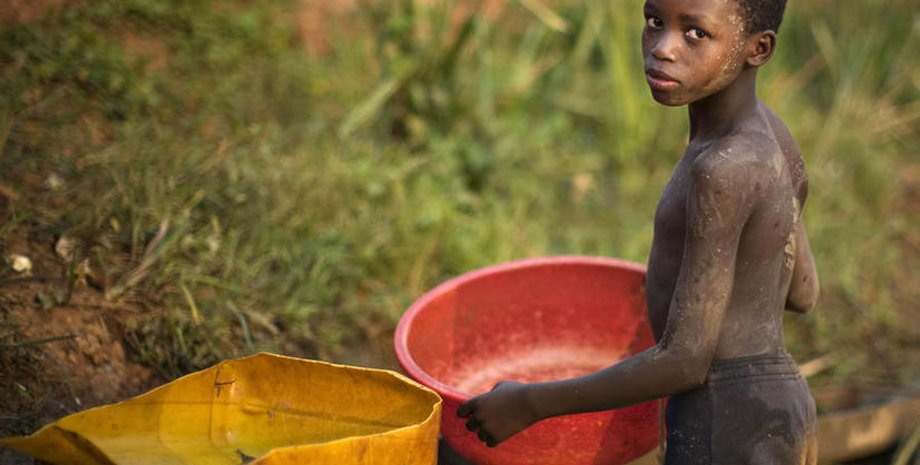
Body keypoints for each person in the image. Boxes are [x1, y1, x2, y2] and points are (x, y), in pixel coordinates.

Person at [457, 0, 820, 463]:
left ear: (758, 48)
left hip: (722, 418)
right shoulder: (773, 136)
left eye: (695, 33)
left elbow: (685, 361)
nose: (663, 48)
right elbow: (804, 292)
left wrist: (531, 403)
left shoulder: (721, 170)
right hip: (783, 409)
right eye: (654, 22)